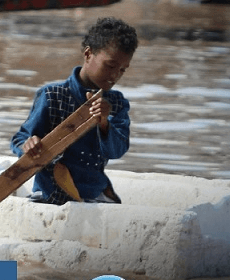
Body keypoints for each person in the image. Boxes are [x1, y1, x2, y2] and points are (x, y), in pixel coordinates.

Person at [10, 17, 138, 205]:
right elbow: (20, 139)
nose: (114, 75)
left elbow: (116, 151)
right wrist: (28, 145)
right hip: (50, 195)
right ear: (88, 54)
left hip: (95, 194)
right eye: (110, 66)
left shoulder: (116, 103)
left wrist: (104, 122)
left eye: (122, 70)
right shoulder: (52, 95)